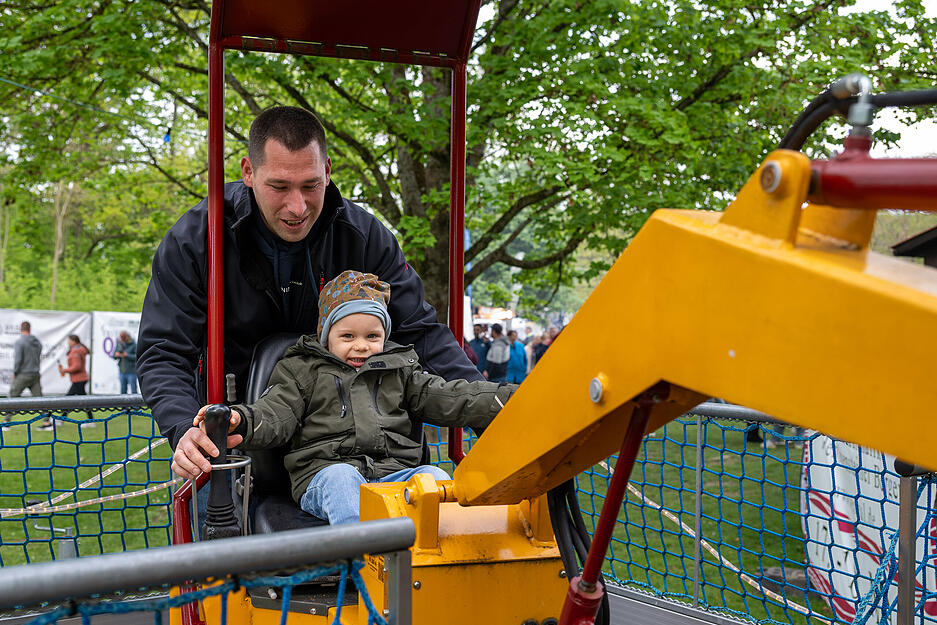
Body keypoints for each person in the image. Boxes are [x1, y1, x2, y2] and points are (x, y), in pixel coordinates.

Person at [137, 106, 482, 473]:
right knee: (222, 524)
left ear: (328, 171)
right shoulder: (198, 239)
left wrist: (495, 420)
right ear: (249, 172)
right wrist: (184, 428)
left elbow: (423, 335)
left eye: (311, 185)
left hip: (355, 449)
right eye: (280, 187)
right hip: (235, 442)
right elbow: (164, 350)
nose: (297, 206)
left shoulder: (364, 239)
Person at [188, 271, 516, 524]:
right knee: (343, 480)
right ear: (326, 335)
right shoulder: (302, 370)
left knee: (435, 479)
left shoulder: (400, 371)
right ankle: (365, 562)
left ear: (384, 337)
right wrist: (243, 420)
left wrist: (511, 401)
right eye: (348, 336)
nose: (360, 345)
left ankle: (434, 566)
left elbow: (453, 397)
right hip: (325, 474)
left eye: (372, 336)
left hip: (394, 474)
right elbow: (276, 413)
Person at [6, 321, 43, 429]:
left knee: (12, 397)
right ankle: (47, 422)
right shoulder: (37, 342)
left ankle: (6, 422)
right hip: (35, 374)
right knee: (41, 400)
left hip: (23, 374)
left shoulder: (20, 342)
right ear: (29, 329)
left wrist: (15, 372)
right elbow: (39, 353)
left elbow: (18, 359)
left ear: (21, 329)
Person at [58, 334, 94, 428]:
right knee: (73, 400)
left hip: (79, 379)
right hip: (79, 379)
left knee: (71, 400)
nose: (68, 342)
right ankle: (62, 419)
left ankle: (90, 421)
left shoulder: (76, 351)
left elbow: (76, 366)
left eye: (69, 340)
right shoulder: (78, 349)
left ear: (73, 341)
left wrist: (65, 370)